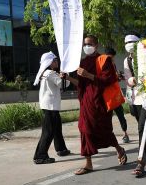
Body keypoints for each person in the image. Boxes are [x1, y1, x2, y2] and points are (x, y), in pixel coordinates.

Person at [65, 35, 127, 175]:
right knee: (84, 129)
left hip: (100, 102)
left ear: (96, 45)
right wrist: (68, 77)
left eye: (90, 44)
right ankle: (88, 164)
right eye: (85, 44)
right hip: (87, 102)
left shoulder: (104, 60)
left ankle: (119, 149)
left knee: (103, 130)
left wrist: (88, 75)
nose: (87, 46)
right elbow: (80, 84)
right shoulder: (82, 62)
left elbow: (108, 80)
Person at [123, 34, 146, 177]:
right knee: (144, 128)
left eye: (132, 41)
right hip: (135, 98)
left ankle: (141, 161)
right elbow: (127, 78)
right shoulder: (127, 60)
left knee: (141, 127)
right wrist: (131, 80)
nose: (129, 44)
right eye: (127, 42)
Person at [33, 52, 71, 164]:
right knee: (48, 132)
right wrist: (66, 75)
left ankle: (61, 149)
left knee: (57, 129)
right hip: (50, 107)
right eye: (55, 60)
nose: (57, 62)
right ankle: (40, 156)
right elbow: (63, 84)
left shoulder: (47, 73)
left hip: (50, 106)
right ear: (50, 62)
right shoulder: (50, 73)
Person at [103, 47, 130, 143]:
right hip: (106, 96)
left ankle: (125, 133)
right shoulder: (101, 66)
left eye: (112, 58)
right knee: (107, 118)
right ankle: (108, 136)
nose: (111, 60)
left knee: (120, 115)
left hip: (115, 95)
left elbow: (115, 78)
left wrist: (118, 77)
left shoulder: (113, 65)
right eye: (109, 58)